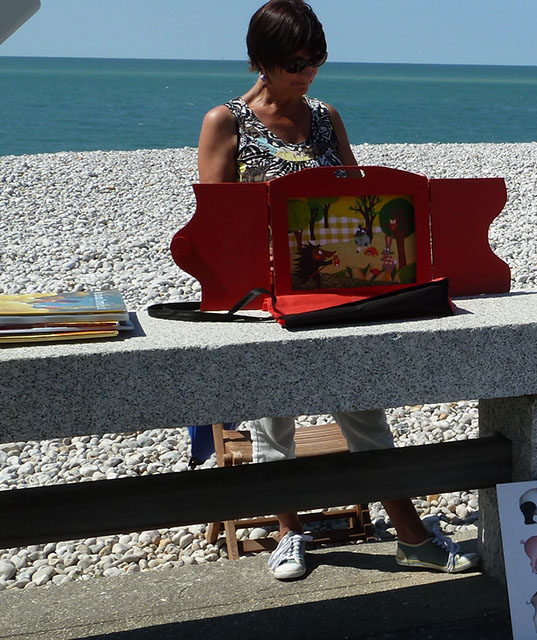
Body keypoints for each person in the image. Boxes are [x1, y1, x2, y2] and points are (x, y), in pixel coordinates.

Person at [196, 0, 477, 581]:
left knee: (365, 412)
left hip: (338, 290)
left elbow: (358, 194)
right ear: (262, 60)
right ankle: (289, 533)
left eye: (316, 60)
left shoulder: (325, 117)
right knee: (275, 423)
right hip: (266, 298)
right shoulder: (226, 122)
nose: (308, 72)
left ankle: (411, 535)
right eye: (296, 61)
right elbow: (215, 220)